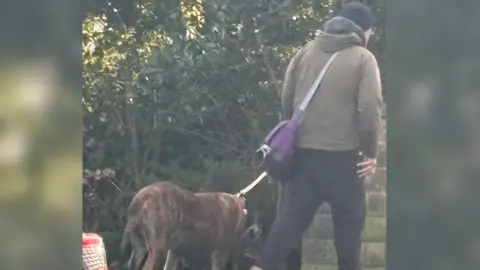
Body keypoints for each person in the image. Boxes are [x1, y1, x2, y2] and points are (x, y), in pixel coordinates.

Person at [251, 2, 383, 270]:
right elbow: (369, 109)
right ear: (363, 30)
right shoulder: (363, 58)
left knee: (288, 226)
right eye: (370, 32)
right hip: (345, 161)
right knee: (348, 236)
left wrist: (294, 139)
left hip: (304, 159)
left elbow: (287, 101)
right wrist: (370, 152)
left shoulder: (305, 53)